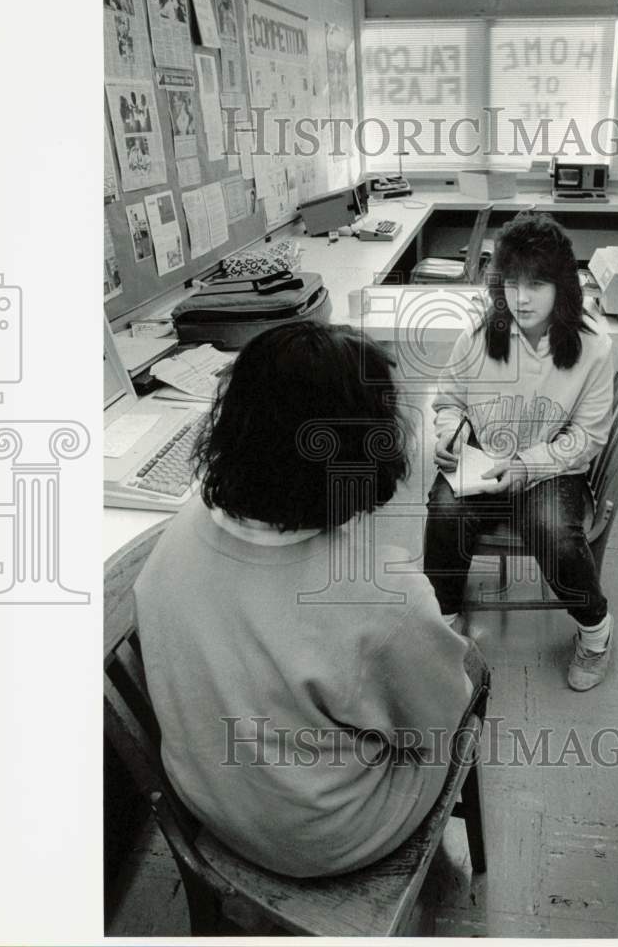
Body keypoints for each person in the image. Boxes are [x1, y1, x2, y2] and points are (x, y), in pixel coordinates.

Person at [134, 321, 487, 878]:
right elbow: (436, 722)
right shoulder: (384, 593)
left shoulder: (180, 527)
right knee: (470, 680)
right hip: (323, 836)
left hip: (207, 801)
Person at [423, 211, 614, 691]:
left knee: (551, 529)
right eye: (511, 283)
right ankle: (446, 626)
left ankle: (596, 631)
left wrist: (527, 467)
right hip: (483, 460)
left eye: (537, 284)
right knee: (445, 512)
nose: (521, 298)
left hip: (553, 466)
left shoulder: (593, 345)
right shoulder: (482, 331)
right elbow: (449, 398)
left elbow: (587, 437)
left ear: (563, 286)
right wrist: (448, 436)